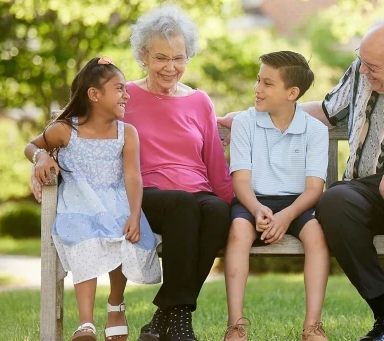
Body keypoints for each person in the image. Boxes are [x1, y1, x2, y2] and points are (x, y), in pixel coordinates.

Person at [218, 14, 384, 341]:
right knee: (334, 200)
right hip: (368, 192)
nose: (362, 70)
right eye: (361, 60)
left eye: (372, 66)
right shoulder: (360, 74)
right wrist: (249, 115)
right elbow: (324, 112)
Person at [32, 5, 233, 341]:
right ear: (143, 56)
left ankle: (168, 317)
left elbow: (215, 165)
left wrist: (240, 208)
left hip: (196, 195)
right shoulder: (123, 96)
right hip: (144, 195)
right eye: (161, 57)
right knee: (185, 206)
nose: (171, 67)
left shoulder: (200, 101)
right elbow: (74, 129)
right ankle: (177, 321)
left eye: (178, 58)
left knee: (215, 211)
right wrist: (40, 157)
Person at [25, 57, 161, 341]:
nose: (127, 95)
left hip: (116, 201)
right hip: (79, 203)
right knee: (85, 242)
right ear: (94, 94)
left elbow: (133, 177)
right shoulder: (65, 129)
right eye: (120, 89)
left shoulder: (127, 133)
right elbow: (32, 145)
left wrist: (135, 214)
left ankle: (115, 304)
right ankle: (85, 322)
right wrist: (40, 157)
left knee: (123, 237)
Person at [222, 51, 329, 341]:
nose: (257, 89)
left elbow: (313, 190)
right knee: (238, 233)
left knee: (317, 238)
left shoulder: (315, 131)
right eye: (258, 80)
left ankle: (312, 327)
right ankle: (236, 325)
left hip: (297, 204)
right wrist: (257, 209)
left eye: (267, 83)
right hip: (252, 199)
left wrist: (287, 215)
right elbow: (240, 181)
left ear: (292, 93)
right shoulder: (245, 122)